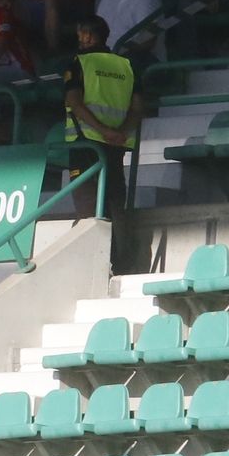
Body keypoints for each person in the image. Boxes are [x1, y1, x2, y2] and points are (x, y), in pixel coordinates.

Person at [64, 14, 144, 272]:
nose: (80, 39)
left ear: (87, 35)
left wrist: (103, 130)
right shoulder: (127, 65)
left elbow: (75, 102)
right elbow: (138, 108)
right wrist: (118, 132)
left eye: (81, 35)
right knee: (114, 206)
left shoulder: (80, 62)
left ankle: (94, 267)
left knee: (88, 210)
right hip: (116, 146)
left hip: (86, 145)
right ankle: (123, 265)